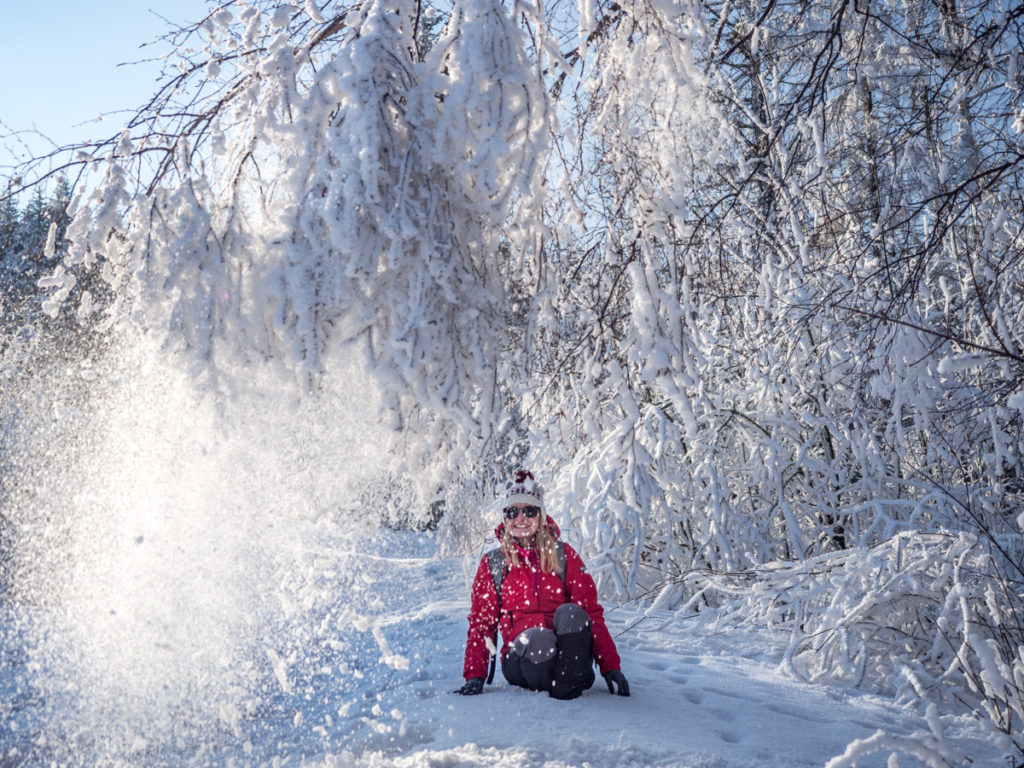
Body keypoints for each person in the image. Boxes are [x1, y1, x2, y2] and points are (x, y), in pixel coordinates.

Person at [455, 469, 630, 699]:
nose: (520, 519)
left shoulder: (564, 556)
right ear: (504, 518)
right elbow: (481, 623)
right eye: (512, 512)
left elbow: (592, 614)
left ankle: (569, 680)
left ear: (541, 515)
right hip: (522, 657)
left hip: (566, 653)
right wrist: (475, 675)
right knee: (538, 638)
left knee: (573, 613)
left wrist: (610, 666)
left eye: (529, 510)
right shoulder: (494, 563)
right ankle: (569, 682)